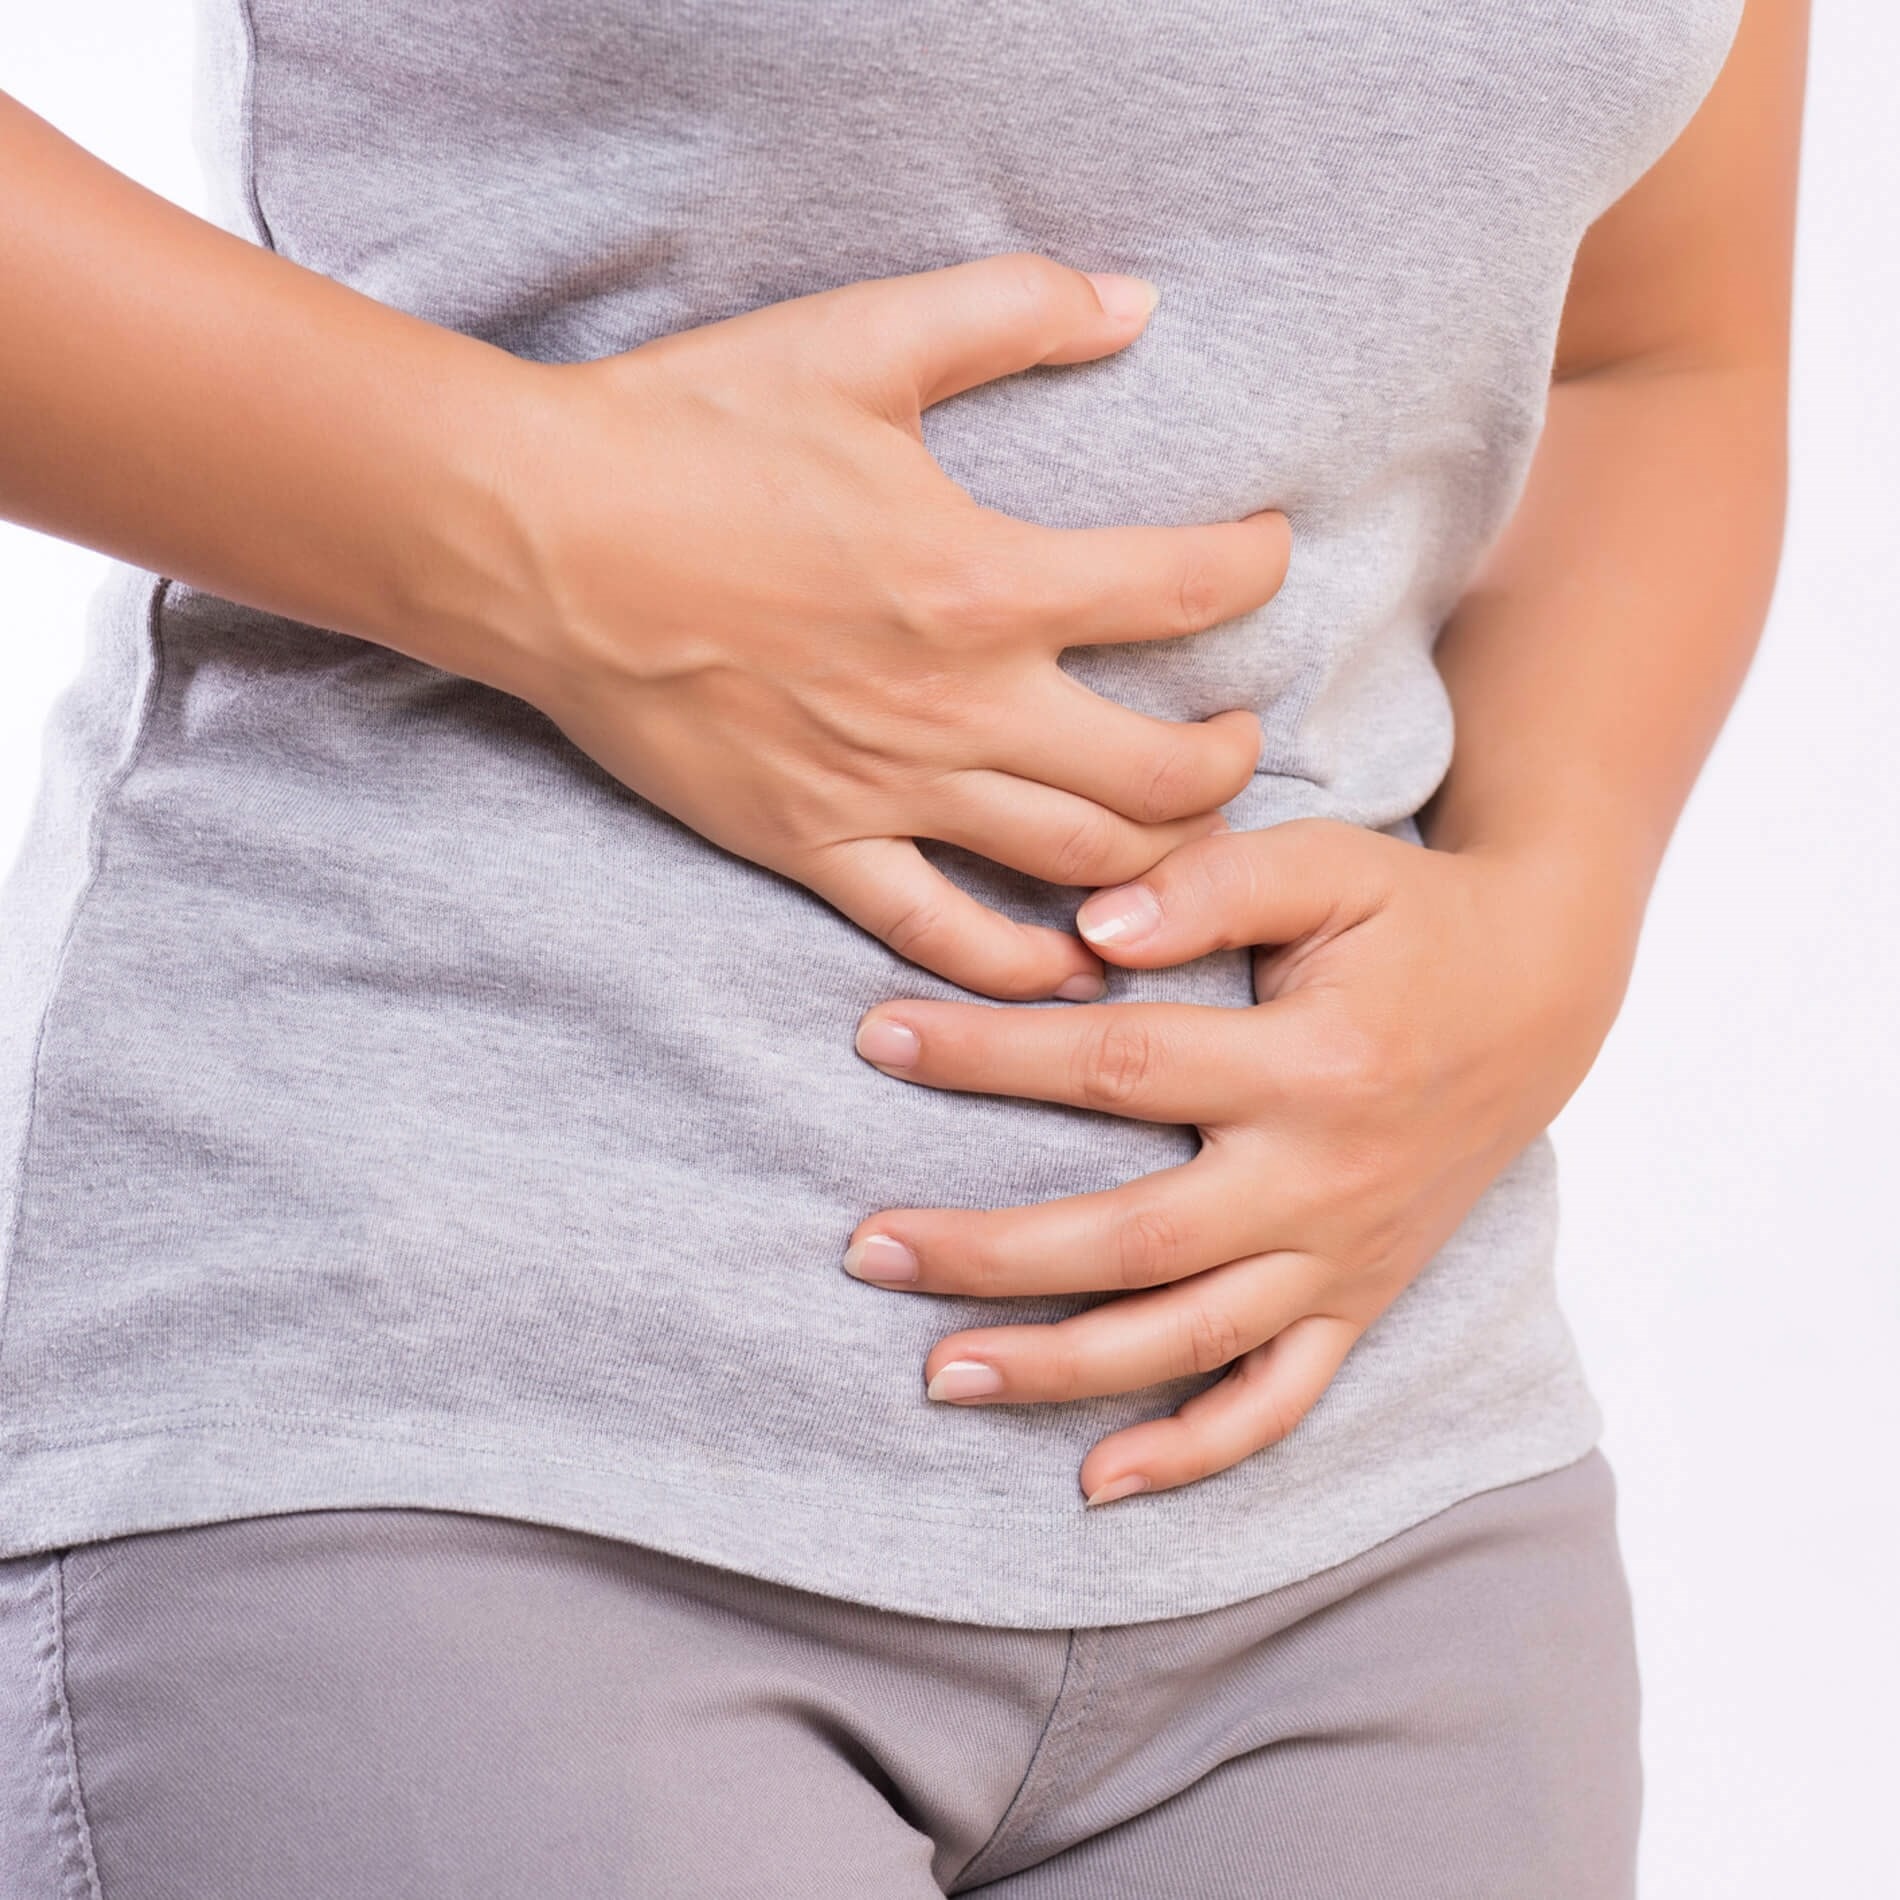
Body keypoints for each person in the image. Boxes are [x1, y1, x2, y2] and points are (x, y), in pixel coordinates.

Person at [0, 1, 1806, 1894]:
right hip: (453, 1391)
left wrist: (1552, 904)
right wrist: (545, 526)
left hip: (1383, 1468)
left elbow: (1652, 345)